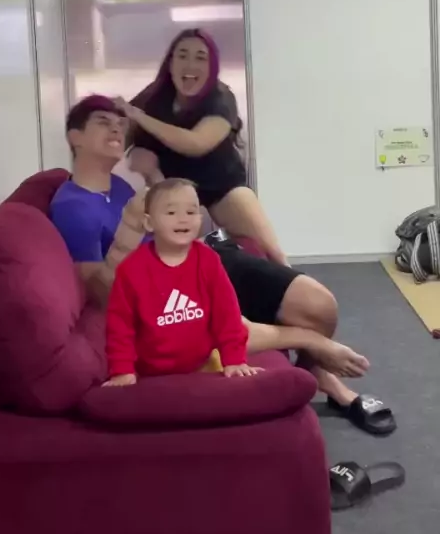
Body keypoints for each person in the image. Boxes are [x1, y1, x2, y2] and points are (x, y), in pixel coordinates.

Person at [50, 94, 396, 436]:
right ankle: (320, 362)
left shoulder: (120, 187)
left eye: (119, 123)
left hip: (200, 257)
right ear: (75, 137)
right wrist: (130, 234)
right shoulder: (74, 207)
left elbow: (163, 221)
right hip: (172, 280)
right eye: (103, 122)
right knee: (309, 316)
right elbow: (99, 291)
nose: (116, 129)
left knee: (319, 304)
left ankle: (315, 361)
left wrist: (154, 179)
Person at [105, 178, 260, 386]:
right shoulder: (130, 270)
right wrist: (122, 370)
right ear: (149, 222)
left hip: (203, 364)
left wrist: (234, 360)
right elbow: (119, 327)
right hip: (149, 373)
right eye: (171, 213)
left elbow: (227, 314)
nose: (183, 219)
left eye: (191, 212)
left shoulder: (208, 261)